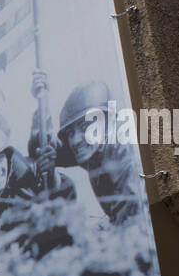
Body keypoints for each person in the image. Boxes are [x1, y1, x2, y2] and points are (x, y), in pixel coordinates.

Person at [28, 73, 141, 224]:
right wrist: (43, 102)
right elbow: (40, 148)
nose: (75, 140)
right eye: (70, 133)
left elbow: (134, 219)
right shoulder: (93, 150)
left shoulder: (124, 154)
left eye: (85, 127)